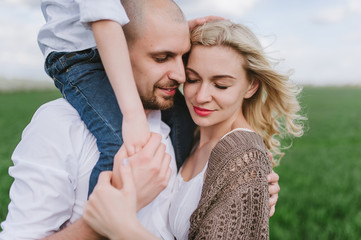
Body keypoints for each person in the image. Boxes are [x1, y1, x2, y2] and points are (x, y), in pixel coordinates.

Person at [0, 1, 280, 239]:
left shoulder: (181, 123)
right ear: (117, 53)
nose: (181, 76)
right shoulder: (60, 125)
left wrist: (245, 191)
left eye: (182, 58)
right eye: (162, 58)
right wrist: (103, 221)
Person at [83, 20, 305, 239]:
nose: (200, 97)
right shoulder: (190, 130)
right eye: (192, 79)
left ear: (251, 86)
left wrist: (123, 228)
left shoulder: (243, 157)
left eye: (221, 85)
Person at [38, 0, 150, 195]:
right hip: (77, 57)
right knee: (119, 144)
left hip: (116, 49)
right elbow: (103, 18)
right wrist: (133, 114)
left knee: (180, 120)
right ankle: (99, 219)